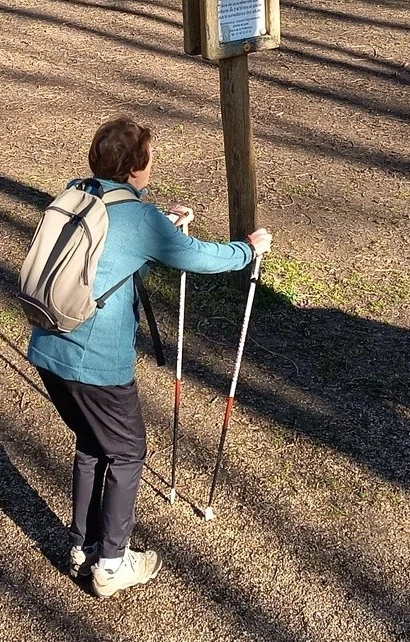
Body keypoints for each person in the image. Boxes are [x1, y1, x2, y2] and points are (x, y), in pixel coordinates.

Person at [29, 116, 270, 598]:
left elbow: (117, 243)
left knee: (93, 442)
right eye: (150, 157)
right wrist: (247, 250)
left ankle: (83, 547)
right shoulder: (141, 217)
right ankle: (111, 564)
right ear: (136, 166)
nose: (152, 164)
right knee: (127, 451)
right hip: (95, 362)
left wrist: (164, 224)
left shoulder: (78, 192)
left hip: (48, 347)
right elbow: (199, 257)